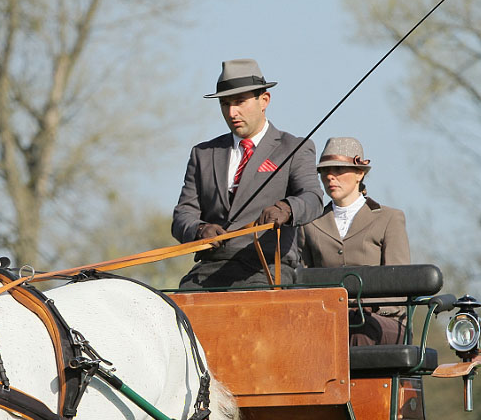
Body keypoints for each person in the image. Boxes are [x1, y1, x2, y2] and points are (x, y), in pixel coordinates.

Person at [172, 59, 323, 288]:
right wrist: (200, 229)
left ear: (264, 100)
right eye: (225, 104)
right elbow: (183, 214)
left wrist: (285, 209)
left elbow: (312, 198)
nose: (232, 112)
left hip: (267, 267)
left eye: (240, 102)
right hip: (209, 269)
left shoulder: (294, 148)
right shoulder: (203, 154)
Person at [299, 137, 410, 345]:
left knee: (360, 327)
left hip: (381, 322)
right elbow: (305, 283)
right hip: (327, 318)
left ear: (360, 173)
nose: (331, 177)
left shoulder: (389, 219)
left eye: (339, 170)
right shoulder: (310, 224)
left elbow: (399, 283)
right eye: (325, 171)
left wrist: (361, 309)